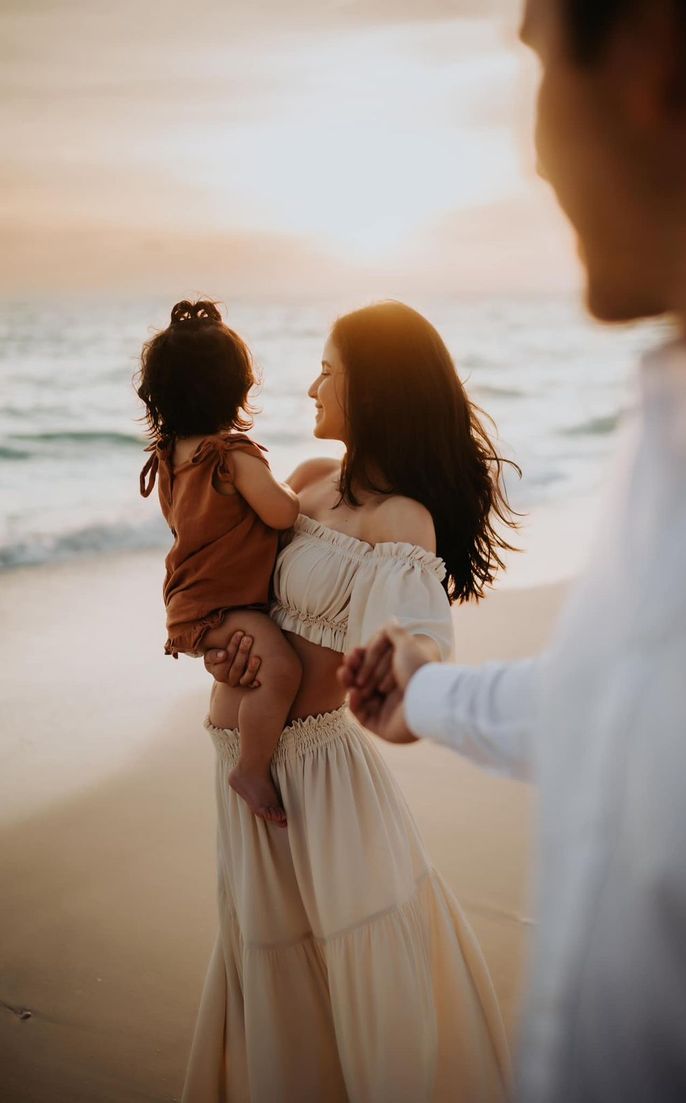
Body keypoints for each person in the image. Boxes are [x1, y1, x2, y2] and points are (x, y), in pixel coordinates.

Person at [341, 2, 686, 1101]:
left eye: (539, 65)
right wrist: (426, 696)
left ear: (650, 52)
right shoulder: (674, 433)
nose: (534, 154)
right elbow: (620, 706)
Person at [184, 301, 518, 1102]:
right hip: (242, 764)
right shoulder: (303, 483)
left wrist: (414, 667)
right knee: (266, 957)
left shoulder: (399, 519)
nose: (310, 387)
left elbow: (412, 638)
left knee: (356, 968)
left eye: (328, 372)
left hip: (318, 783)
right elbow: (228, 594)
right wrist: (212, 644)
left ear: (369, 390)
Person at [137, 299, 301, 827]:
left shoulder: (169, 459)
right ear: (238, 387)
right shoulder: (232, 456)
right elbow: (281, 512)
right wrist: (296, 494)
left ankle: (246, 756)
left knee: (253, 672)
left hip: (188, 604)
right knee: (281, 671)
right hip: (222, 605)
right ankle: (252, 769)